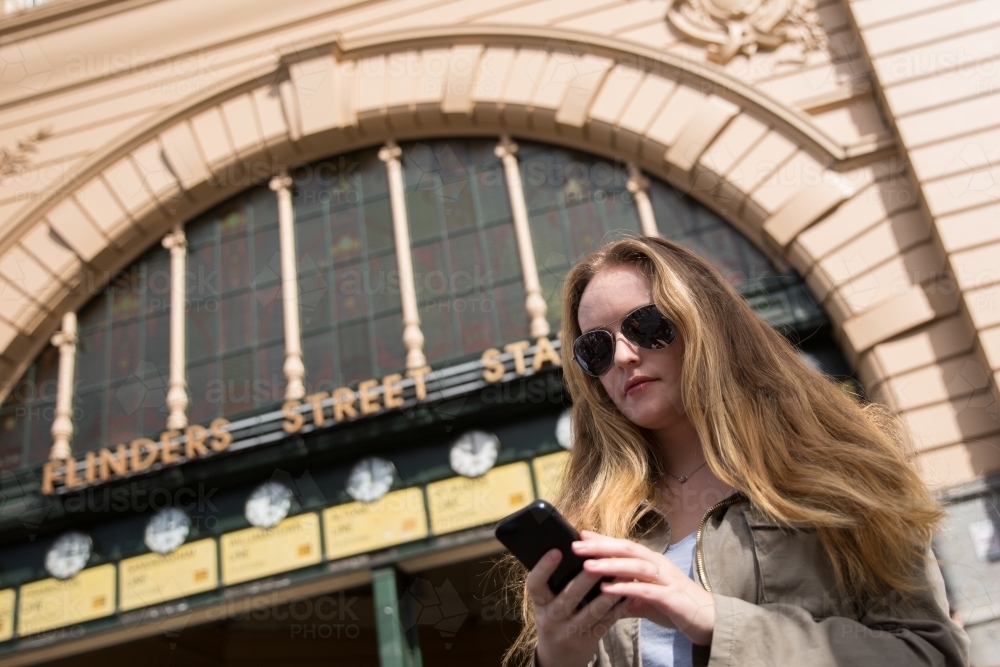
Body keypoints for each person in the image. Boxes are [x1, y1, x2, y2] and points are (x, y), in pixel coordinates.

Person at [502, 236, 971, 667]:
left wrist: (713, 619)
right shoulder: (597, 524)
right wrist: (557, 659)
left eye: (645, 325)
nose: (623, 356)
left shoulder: (835, 465)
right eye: (595, 348)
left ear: (704, 320)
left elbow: (929, 653)